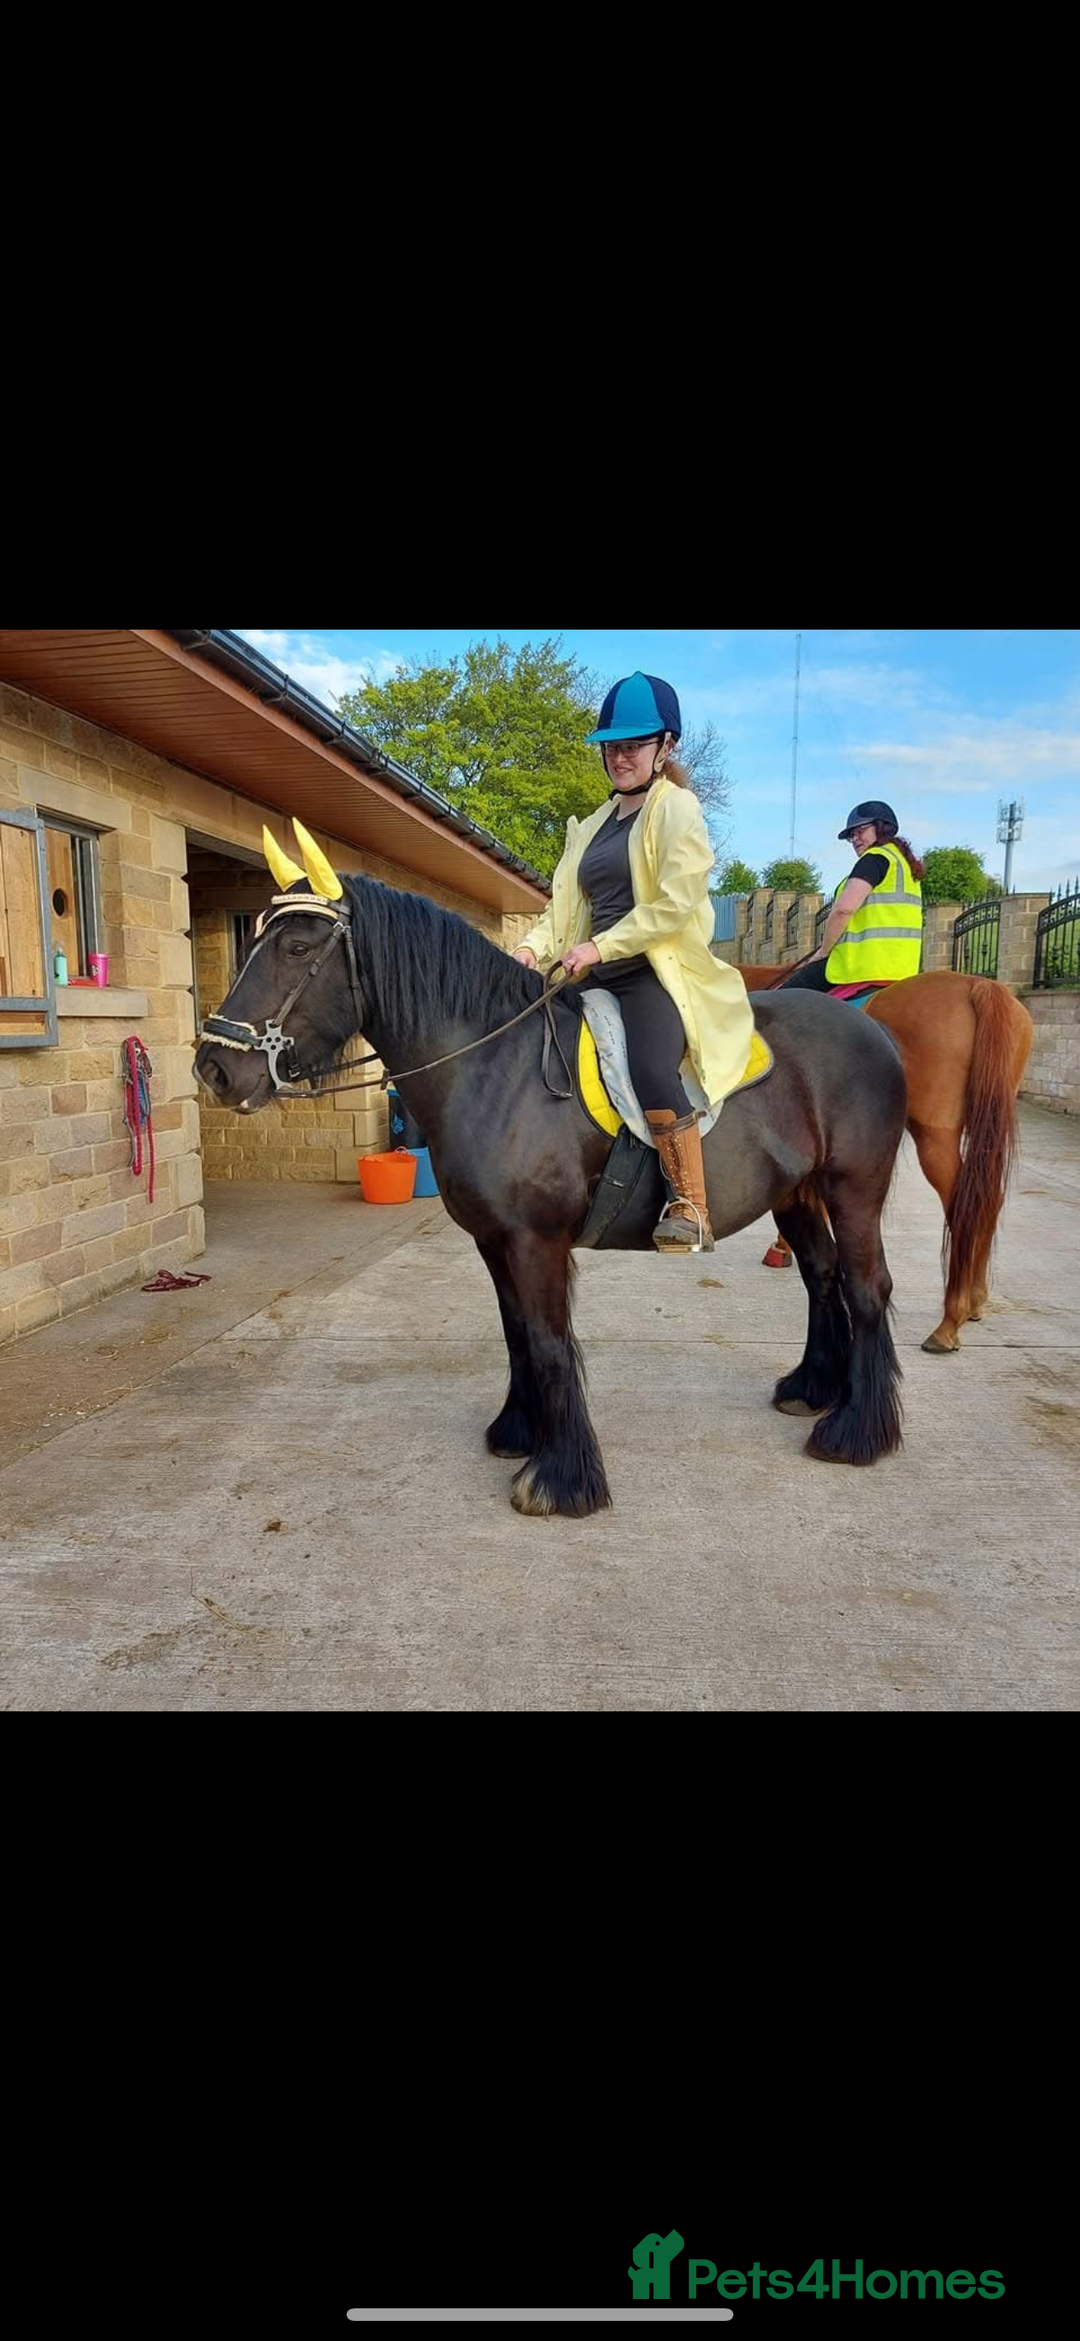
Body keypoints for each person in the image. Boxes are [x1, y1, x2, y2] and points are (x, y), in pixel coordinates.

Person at [513, 671, 753, 1253]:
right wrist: (531, 948)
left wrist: (600, 947)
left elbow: (674, 906)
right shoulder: (592, 826)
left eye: (633, 745)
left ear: (665, 746)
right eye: (611, 746)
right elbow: (562, 911)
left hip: (652, 973)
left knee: (650, 1067)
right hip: (591, 972)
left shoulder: (678, 810)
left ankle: (690, 1205)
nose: (619, 757)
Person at [780, 800, 924, 991]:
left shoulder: (875, 859)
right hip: (903, 970)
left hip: (863, 966)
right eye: (851, 836)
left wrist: (823, 951)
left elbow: (843, 910)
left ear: (881, 827)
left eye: (860, 830)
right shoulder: (904, 865)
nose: (855, 838)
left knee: (781, 998)